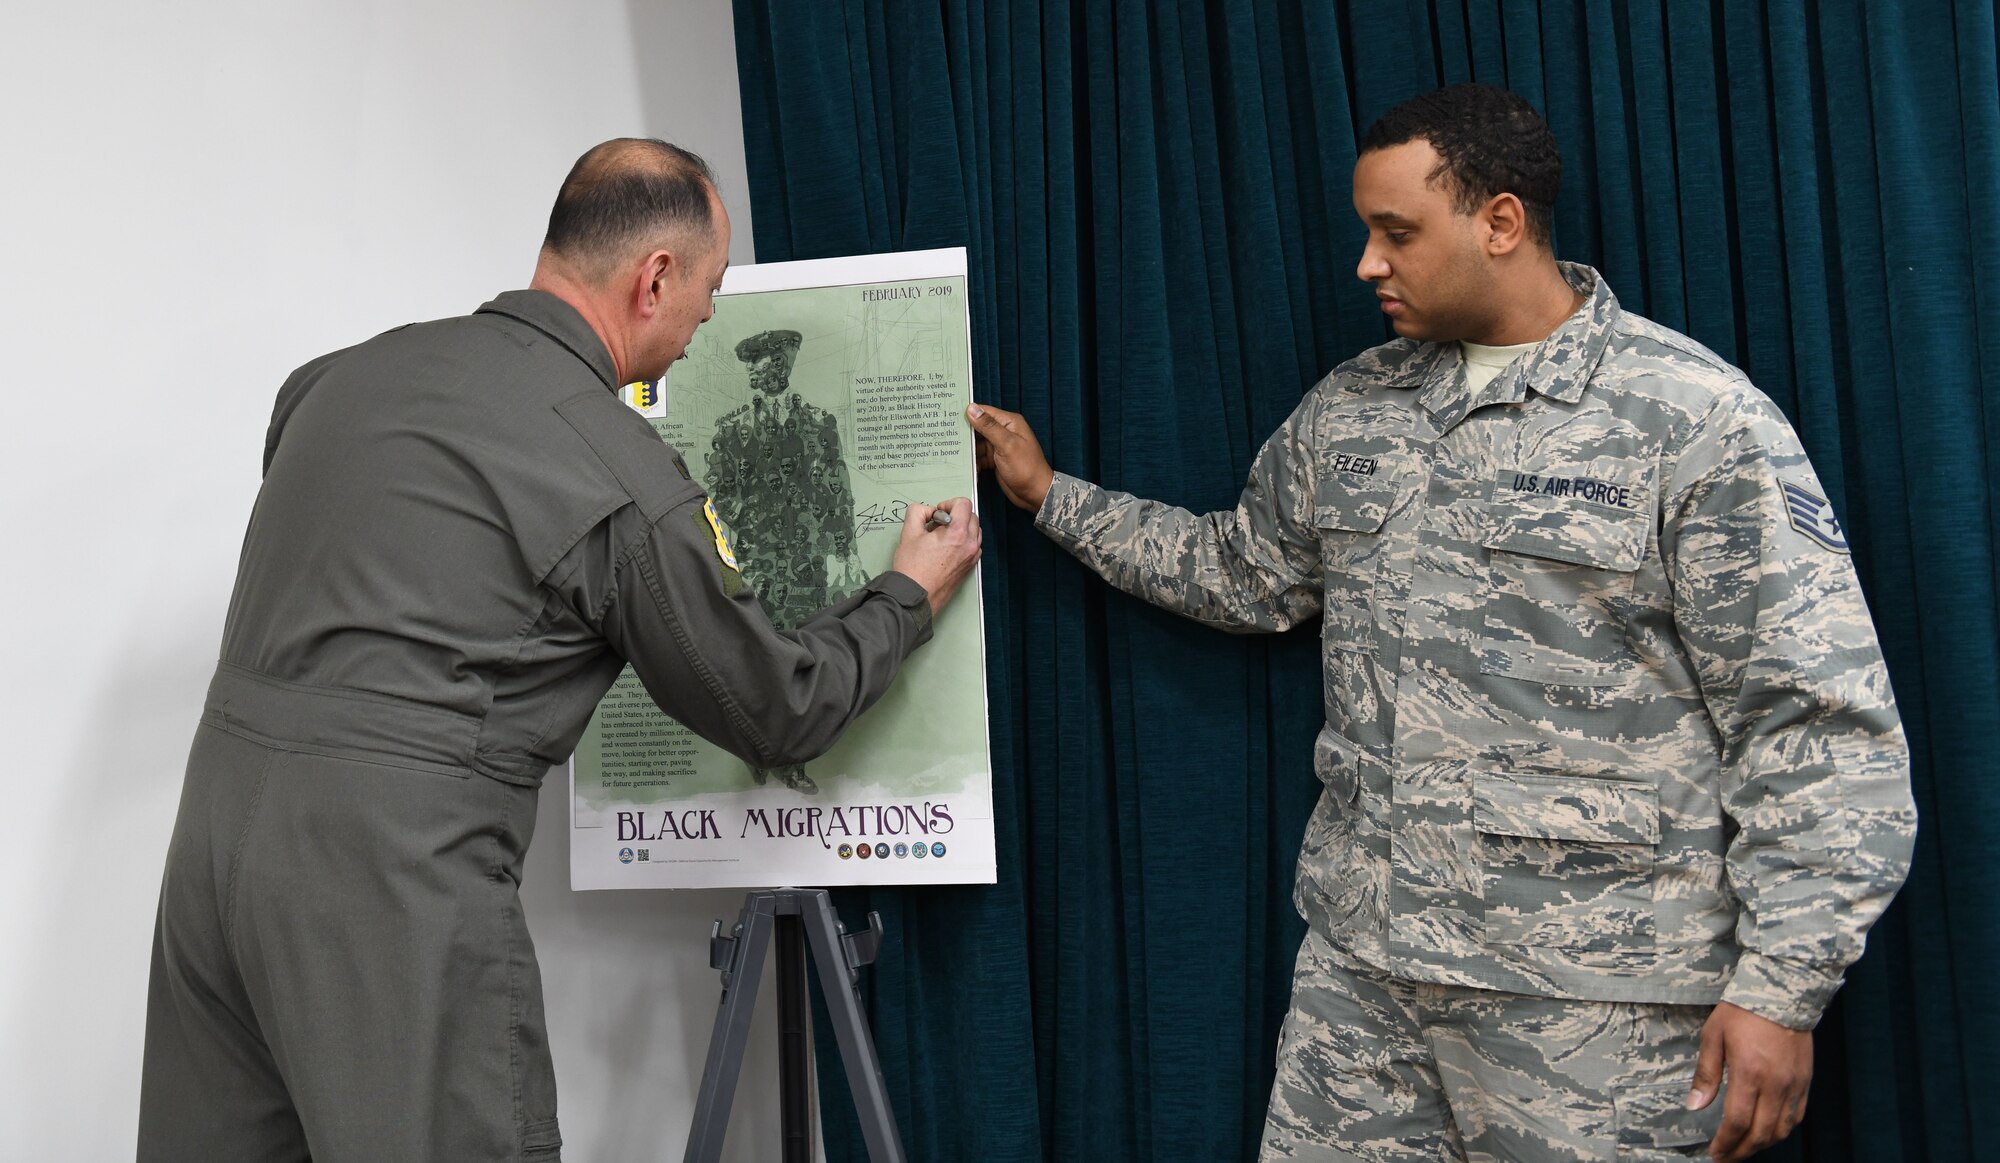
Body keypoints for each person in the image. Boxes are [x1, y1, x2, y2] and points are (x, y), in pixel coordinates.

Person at [971, 84, 1913, 1163]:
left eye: (1396, 232)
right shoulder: (1352, 407)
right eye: (1366, 231)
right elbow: (1241, 570)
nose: (1367, 263)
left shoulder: (1690, 418)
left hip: (1592, 1001)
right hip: (1365, 978)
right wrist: (1052, 496)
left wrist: (1782, 986)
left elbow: (1811, 720)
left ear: (1499, 222)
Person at [138, 138, 982, 1162]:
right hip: (391, 869)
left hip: (215, 839)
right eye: (708, 292)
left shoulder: (340, 376)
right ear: (653, 278)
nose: (707, 322)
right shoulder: (609, 462)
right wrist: (904, 595)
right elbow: (775, 704)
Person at [704, 328, 862, 794]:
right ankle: (754, 752)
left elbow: (838, 493)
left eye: (761, 360)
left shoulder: (818, 422)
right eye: (748, 362)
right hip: (757, 561)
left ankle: (793, 760)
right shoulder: (731, 428)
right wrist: (750, 526)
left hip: (808, 563)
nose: (752, 369)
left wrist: (842, 551)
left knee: (804, 661)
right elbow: (718, 493)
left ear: (784, 362)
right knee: (756, 657)